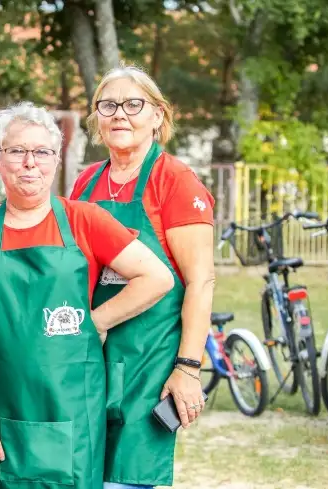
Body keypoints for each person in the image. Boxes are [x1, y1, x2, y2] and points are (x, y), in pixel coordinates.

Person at [0, 101, 176, 489]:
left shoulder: (85, 220)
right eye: (17, 151)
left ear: (56, 160)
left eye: (42, 152)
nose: (30, 162)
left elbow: (156, 277)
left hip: (73, 410)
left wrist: (96, 322)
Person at [70, 64, 216, 489]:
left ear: (158, 115)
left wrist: (188, 368)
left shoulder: (176, 182)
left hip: (150, 361)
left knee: (127, 479)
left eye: (134, 104)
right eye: (108, 104)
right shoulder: (85, 182)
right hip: (91, 355)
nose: (120, 114)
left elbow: (201, 282)